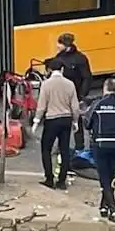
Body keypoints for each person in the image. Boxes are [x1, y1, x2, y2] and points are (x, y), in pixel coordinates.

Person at [85, 79, 115, 222]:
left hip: (101, 144)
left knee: (104, 177)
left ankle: (113, 209)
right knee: (110, 176)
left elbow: (87, 123)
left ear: (105, 88)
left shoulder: (98, 104)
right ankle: (103, 206)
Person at [33, 59, 80, 190]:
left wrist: (36, 120)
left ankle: (49, 178)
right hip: (66, 119)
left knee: (46, 149)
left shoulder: (46, 84)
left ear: (49, 70)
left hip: (52, 120)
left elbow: (42, 105)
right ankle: (61, 181)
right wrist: (75, 121)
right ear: (62, 69)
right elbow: (75, 106)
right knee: (64, 150)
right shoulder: (70, 84)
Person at [54, 33, 93, 150]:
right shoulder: (63, 56)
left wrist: (82, 95)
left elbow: (86, 77)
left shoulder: (79, 59)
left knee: (75, 120)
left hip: (74, 94)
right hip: (62, 94)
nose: (57, 45)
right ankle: (64, 146)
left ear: (66, 45)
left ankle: (78, 146)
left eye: (59, 43)